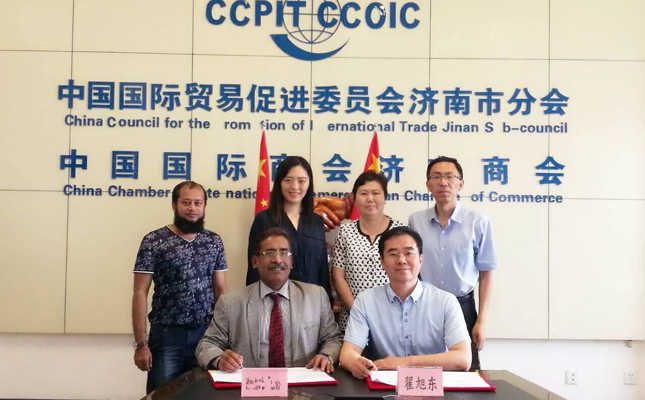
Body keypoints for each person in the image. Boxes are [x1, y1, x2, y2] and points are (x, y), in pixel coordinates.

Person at [196, 228, 342, 372]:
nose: (277, 259)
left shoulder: (316, 296)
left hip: (302, 383)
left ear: (291, 262)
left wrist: (326, 356)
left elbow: (334, 339)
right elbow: (206, 345)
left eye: (284, 253)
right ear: (255, 262)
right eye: (270, 253)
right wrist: (219, 359)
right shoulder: (231, 302)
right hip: (252, 384)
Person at [132, 181, 229, 394]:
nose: (192, 208)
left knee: (203, 395)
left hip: (206, 336)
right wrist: (141, 344)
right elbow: (139, 293)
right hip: (167, 336)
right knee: (162, 395)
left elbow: (221, 289)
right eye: (186, 202)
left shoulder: (213, 241)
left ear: (204, 206)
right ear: (174, 205)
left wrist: (227, 334)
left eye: (198, 203)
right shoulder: (153, 241)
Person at [339, 226, 471, 378]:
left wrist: (405, 363)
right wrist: (355, 363)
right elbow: (348, 353)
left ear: (420, 259)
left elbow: (463, 358)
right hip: (384, 385)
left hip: (433, 385)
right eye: (393, 254)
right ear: (382, 262)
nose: (401, 260)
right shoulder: (365, 301)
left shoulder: (446, 301)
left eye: (409, 253)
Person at [408, 156, 498, 371]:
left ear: (461, 184)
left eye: (450, 176)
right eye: (436, 177)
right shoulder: (416, 221)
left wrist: (481, 321)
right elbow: (411, 270)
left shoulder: (478, 222)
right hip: (425, 306)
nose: (443, 182)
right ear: (428, 185)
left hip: (463, 305)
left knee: (466, 371)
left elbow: (486, 273)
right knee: (424, 370)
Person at [246, 156, 331, 301]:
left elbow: (322, 270)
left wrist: (326, 303)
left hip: (311, 301)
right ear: (279, 183)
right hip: (273, 302)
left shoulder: (316, 222)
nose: (295, 186)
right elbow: (254, 268)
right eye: (288, 180)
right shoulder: (264, 220)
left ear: (309, 184)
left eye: (302, 181)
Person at [331, 171, 405, 331]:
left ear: (385, 197)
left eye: (376, 193)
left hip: (391, 318)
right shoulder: (345, 231)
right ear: (355, 199)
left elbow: (407, 276)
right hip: (352, 317)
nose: (370, 198)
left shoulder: (400, 231)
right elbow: (338, 277)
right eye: (364, 193)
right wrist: (358, 312)